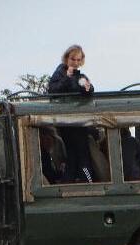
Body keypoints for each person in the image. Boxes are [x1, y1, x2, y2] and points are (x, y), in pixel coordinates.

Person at [48, 44, 95, 182]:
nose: (75, 63)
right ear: (67, 58)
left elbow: (89, 90)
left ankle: (73, 180)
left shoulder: (80, 76)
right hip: (68, 121)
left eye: (78, 60)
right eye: (73, 59)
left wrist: (87, 88)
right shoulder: (60, 74)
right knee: (80, 154)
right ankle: (88, 181)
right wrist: (67, 78)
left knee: (77, 154)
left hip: (79, 121)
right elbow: (53, 91)